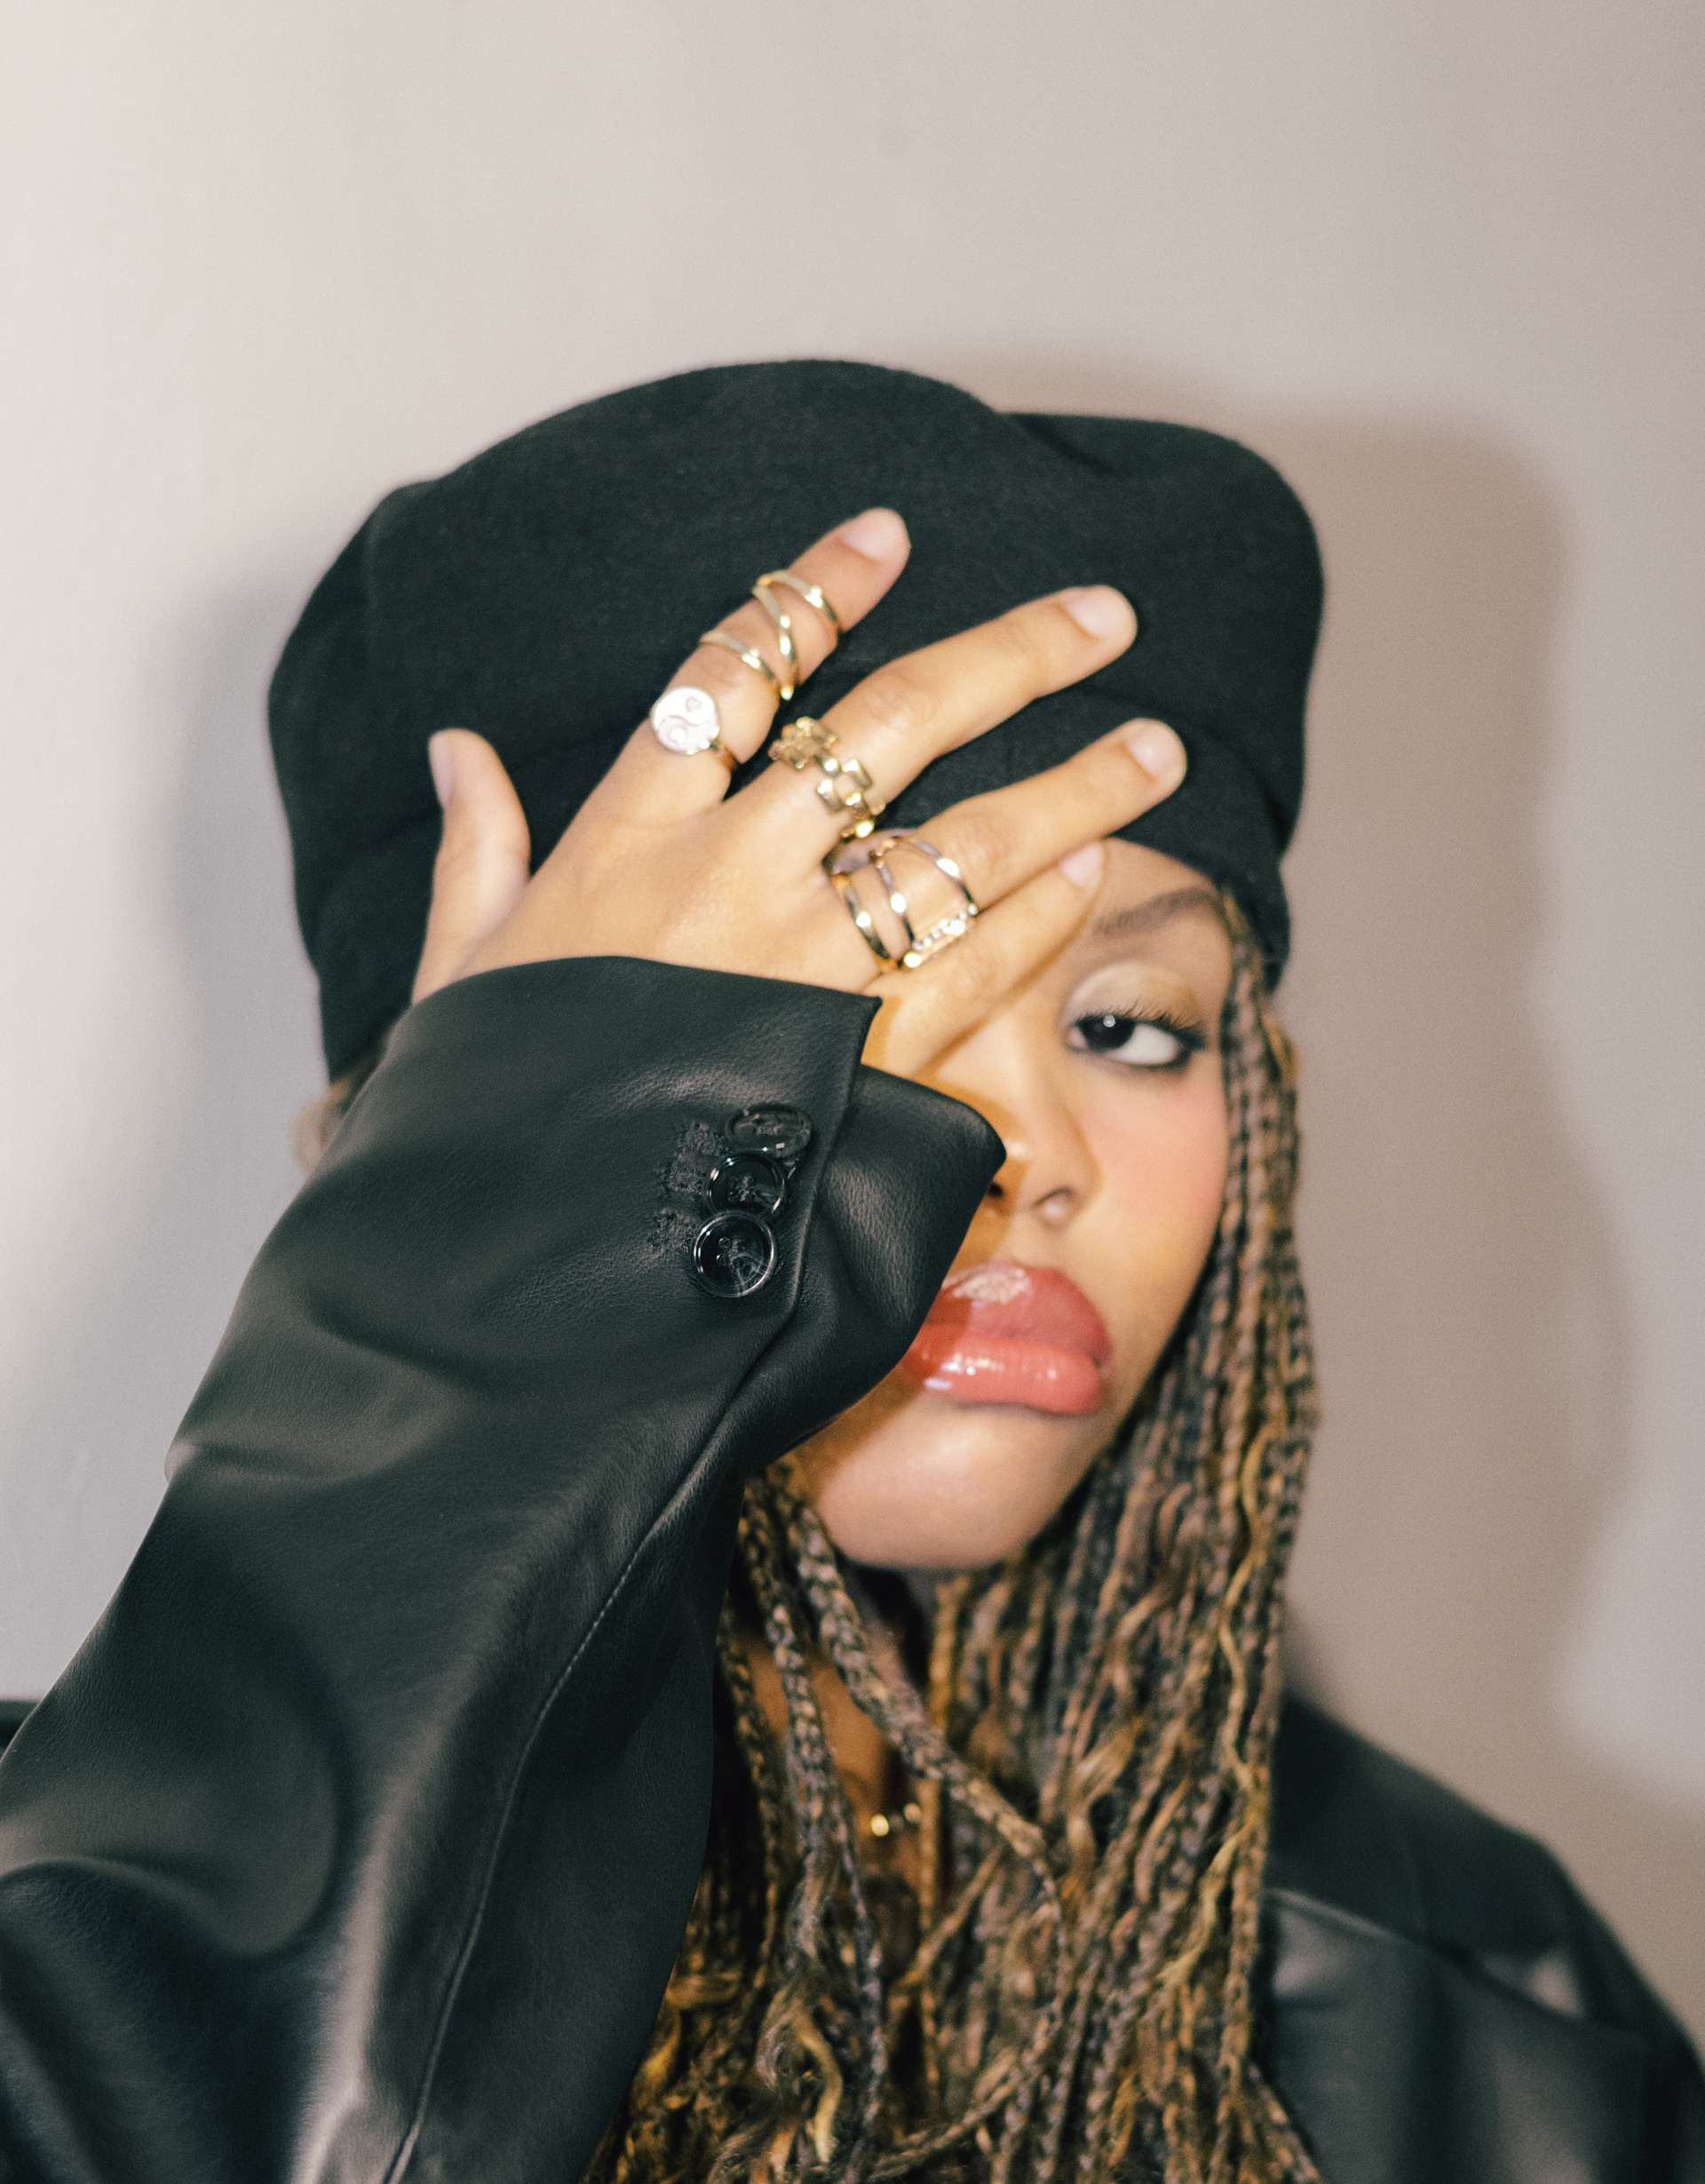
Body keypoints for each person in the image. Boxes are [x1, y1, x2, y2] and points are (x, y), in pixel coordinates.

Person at [0, 362, 1698, 2184]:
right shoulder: (79, 1938)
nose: (1023, 1158)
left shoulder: (1495, 2010)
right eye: (871, 1023)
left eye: (1131, 1025)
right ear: (452, 1149)